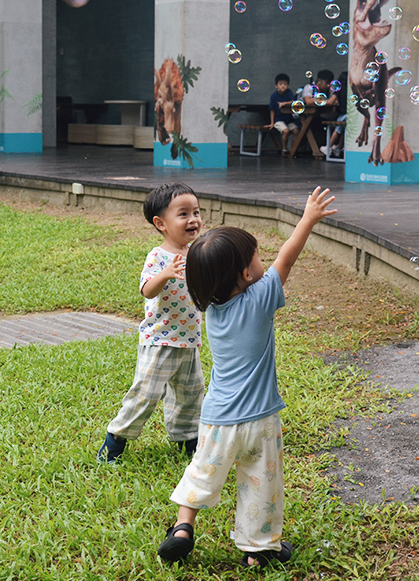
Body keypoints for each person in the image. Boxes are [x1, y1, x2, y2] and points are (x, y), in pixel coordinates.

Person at [157, 187, 337, 569]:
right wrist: (307, 219)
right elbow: (287, 258)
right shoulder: (260, 299)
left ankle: (183, 528)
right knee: (261, 484)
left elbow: (264, 265)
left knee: (203, 471)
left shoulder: (211, 311)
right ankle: (258, 548)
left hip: (216, 419)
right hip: (260, 421)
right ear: (245, 273)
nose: (265, 263)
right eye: (258, 257)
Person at [97, 183, 205, 464]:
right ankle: (115, 441)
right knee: (145, 394)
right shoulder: (158, 256)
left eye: (196, 212)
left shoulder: (197, 252)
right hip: (160, 340)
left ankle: (186, 440)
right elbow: (147, 290)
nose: (193, 219)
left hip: (189, 341)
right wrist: (166, 273)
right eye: (183, 214)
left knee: (190, 395)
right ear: (161, 223)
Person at [311, 69, 340, 159]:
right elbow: (308, 101)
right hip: (309, 117)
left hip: (324, 117)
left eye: (329, 83)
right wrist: (328, 102)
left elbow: (335, 102)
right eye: (326, 82)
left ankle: (333, 148)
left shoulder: (330, 90)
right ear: (319, 80)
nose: (328, 85)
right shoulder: (310, 88)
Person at [267, 74, 300, 155]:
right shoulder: (274, 96)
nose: (283, 86)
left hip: (288, 120)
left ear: (288, 85)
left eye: (285, 84)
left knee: (296, 131)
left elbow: (293, 101)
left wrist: (284, 103)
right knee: (286, 131)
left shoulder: (289, 92)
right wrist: (272, 123)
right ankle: (284, 149)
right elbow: (272, 110)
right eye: (280, 84)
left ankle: (292, 149)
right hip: (278, 120)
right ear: (276, 86)